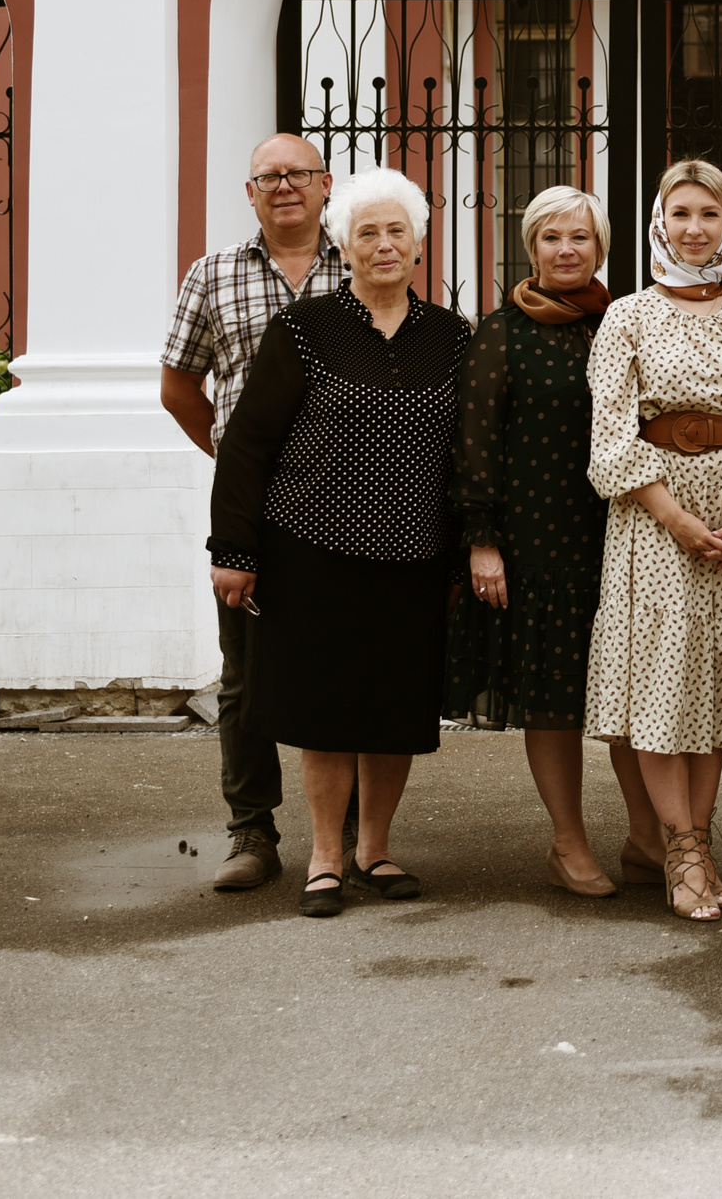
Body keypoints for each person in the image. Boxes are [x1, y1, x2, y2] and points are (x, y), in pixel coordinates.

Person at [207, 167, 472, 917]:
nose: (383, 244)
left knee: (392, 710)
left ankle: (374, 849)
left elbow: (466, 452)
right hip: (310, 549)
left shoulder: (452, 337)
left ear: (420, 244)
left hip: (416, 556)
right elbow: (249, 442)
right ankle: (325, 856)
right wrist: (235, 549)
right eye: (367, 232)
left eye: (397, 231)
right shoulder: (305, 327)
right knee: (324, 711)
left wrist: (462, 550)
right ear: (343, 244)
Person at [585, 160, 722, 923]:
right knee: (664, 684)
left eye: (710, 213)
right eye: (681, 214)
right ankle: (680, 851)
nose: (695, 228)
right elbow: (610, 433)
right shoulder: (628, 316)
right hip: (656, 515)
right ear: (658, 224)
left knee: (713, 684)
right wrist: (673, 516)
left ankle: (698, 842)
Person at [449, 185, 666, 898]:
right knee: (555, 699)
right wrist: (484, 541)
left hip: (622, 532)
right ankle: (568, 844)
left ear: (600, 247)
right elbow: (474, 444)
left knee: (629, 693)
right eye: (550, 237)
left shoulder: (626, 322)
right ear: (531, 247)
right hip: (537, 539)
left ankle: (646, 836)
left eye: (579, 237)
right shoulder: (500, 332)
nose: (566, 249)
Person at [160, 132, 345, 893]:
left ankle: (351, 835)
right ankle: (252, 831)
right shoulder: (214, 274)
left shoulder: (360, 261)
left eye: (297, 174)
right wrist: (238, 466)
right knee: (246, 677)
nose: (283, 187)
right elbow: (179, 385)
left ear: (326, 184)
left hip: (346, 506)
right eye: (267, 177)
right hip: (253, 514)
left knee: (342, 667)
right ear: (250, 192)